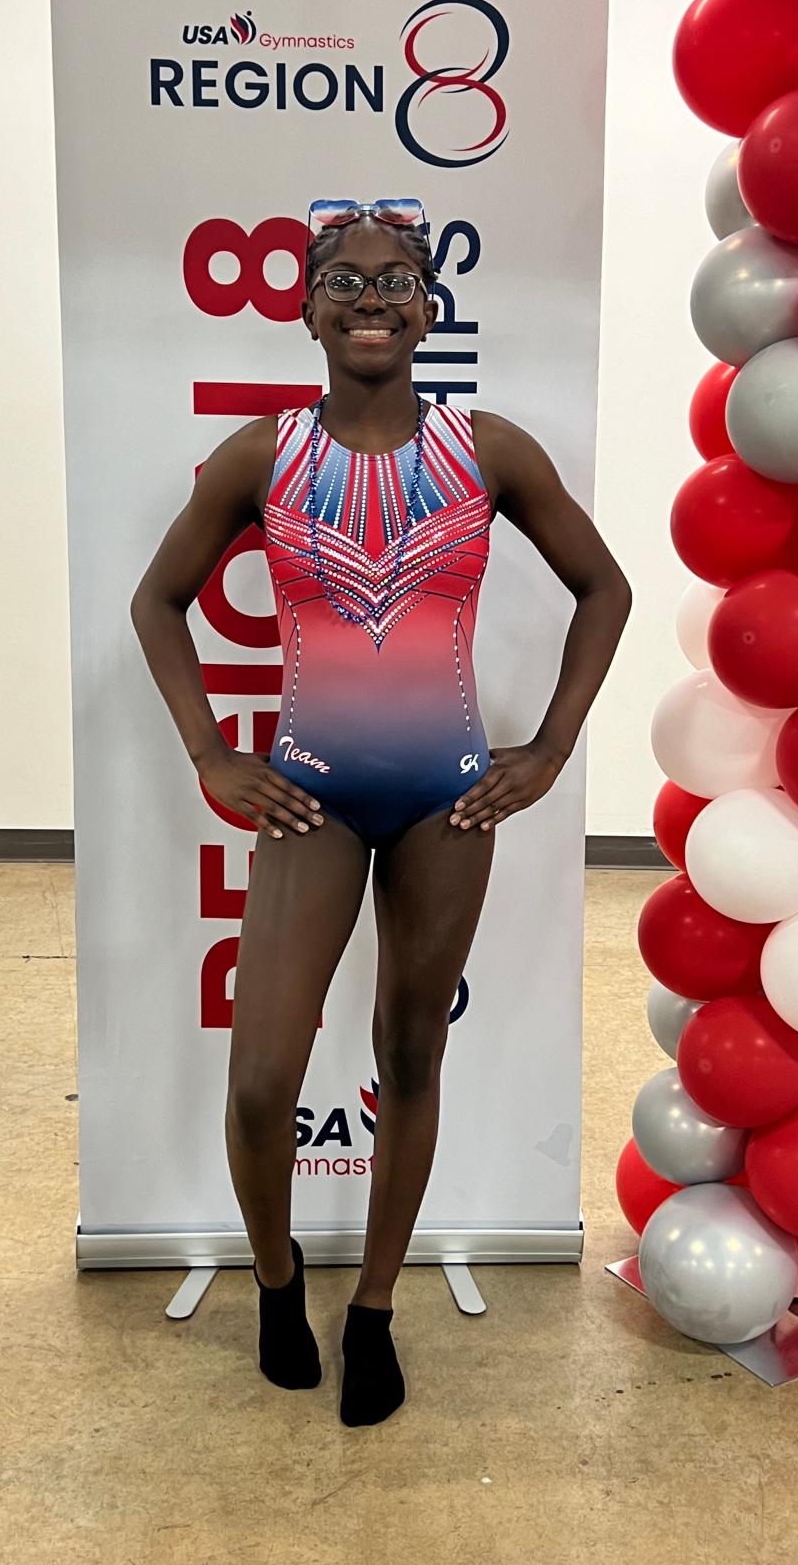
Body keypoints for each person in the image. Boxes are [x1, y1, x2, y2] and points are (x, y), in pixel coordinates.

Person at [130, 197, 631, 1427]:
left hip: (445, 803)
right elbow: (158, 604)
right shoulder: (261, 457)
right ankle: (278, 1280)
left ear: (428, 306)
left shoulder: (489, 449)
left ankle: (375, 1316)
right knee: (261, 1083)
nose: (369, 296)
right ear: (302, 308)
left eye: (395, 277)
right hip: (315, 799)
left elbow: (604, 589)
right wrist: (210, 751)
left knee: (410, 1051)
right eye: (343, 279)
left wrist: (553, 744)